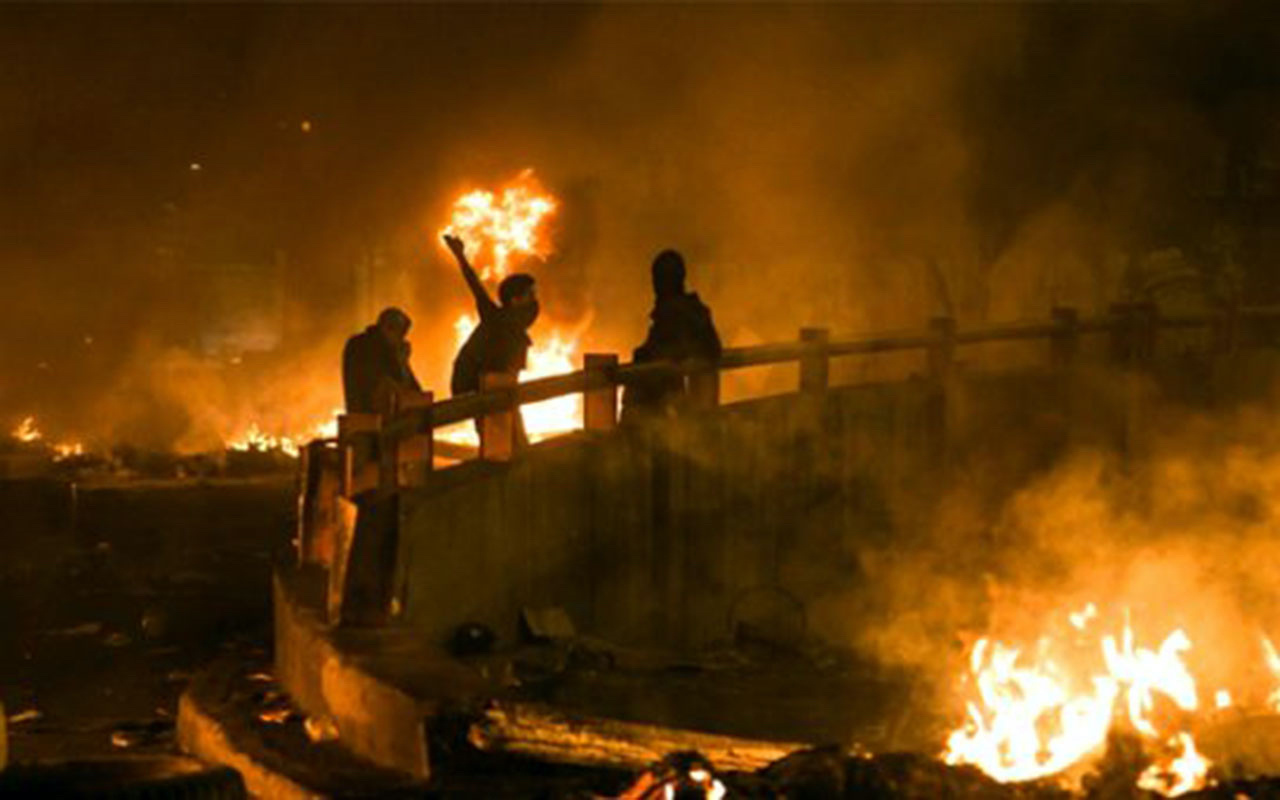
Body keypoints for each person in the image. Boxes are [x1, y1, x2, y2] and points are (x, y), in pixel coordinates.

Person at [443, 233, 540, 444]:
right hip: (481, 391)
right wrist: (460, 255)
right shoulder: (496, 319)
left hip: (500, 393)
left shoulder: (515, 331)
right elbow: (475, 286)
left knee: (513, 441)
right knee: (500, 443)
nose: (535, 302)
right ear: (515, 300)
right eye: (530, 295)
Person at [622, 249, 722, 421]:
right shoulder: (694, 313)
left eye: (657, 279)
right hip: (685, 413)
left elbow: (662, 357)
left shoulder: (673, 316)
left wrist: (642, 357)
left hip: (667, 415)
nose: (654, 286)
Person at [342, 307, 422, 414]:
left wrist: (404, 363)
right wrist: (401, 362)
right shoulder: (362, 346)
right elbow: (380, 383)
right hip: (369, 417)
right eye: (401, 334)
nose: (402, 340)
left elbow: (414, 391)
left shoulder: (388, 350)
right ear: (387, 328)